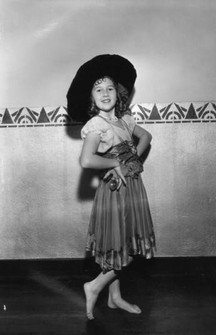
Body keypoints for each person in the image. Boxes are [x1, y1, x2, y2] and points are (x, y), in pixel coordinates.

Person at [66, 54, 156, 320]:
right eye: (98, 89)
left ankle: (115, 298)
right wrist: (115, 162)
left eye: (109, 88)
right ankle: (93, 286)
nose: (105, 93)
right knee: (122, 247)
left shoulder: (125, 120)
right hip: (115, 192)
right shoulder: (96, 125)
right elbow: (86, 159)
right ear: (90, 97)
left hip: (134, 187)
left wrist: (132, 159)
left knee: (123, 242)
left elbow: (147, 136)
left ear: (119, 92)